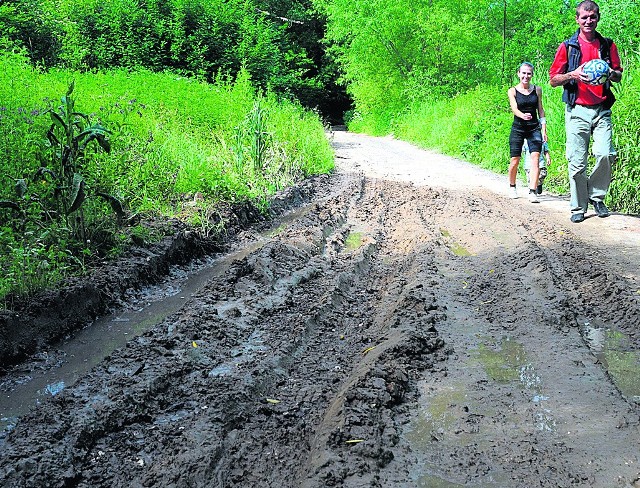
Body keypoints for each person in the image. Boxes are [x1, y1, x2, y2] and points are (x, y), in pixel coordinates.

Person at [549, 0, 623, 223]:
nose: (588, 21)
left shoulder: (607, 45)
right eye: (584, 17)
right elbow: (553, 80)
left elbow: (619, 74)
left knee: (605, 153)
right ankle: (578, 207)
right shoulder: (568, 46)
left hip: (601, 109)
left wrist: (609, 72)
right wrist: (573, 74)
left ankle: (597, 197)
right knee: (577, 163)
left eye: (592, 17)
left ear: (598, 17)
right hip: (576, 111)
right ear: (577, 19)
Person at [507, 62, 547, 202]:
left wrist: (544, 129)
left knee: (535, 158)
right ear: (518, 74)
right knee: (515, 160)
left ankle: (532, 191)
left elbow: (540, 110)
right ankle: (512, 186)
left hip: (533, 128)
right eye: (523, 73)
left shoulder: (537, 90)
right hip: (518, 127)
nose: (526, 76)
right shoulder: (512, 91)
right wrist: (521, 115)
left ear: (532, 75)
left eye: (528, 73)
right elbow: (514, 108)